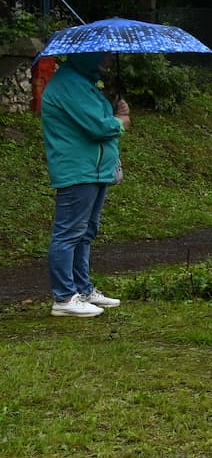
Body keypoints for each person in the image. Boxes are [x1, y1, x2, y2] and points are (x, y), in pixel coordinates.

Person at [42, 52, 127, 318]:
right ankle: (64, 297)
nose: (110, 59)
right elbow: (98, 127)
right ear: (88, 55)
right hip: (78, 169)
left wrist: (114, 109)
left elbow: (97, 118)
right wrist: (120, 121)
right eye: (105, 55)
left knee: (85, 232)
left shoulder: (84, 82)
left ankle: (82, 289)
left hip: (94, 169)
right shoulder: (69, 83)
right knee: (68, 233)